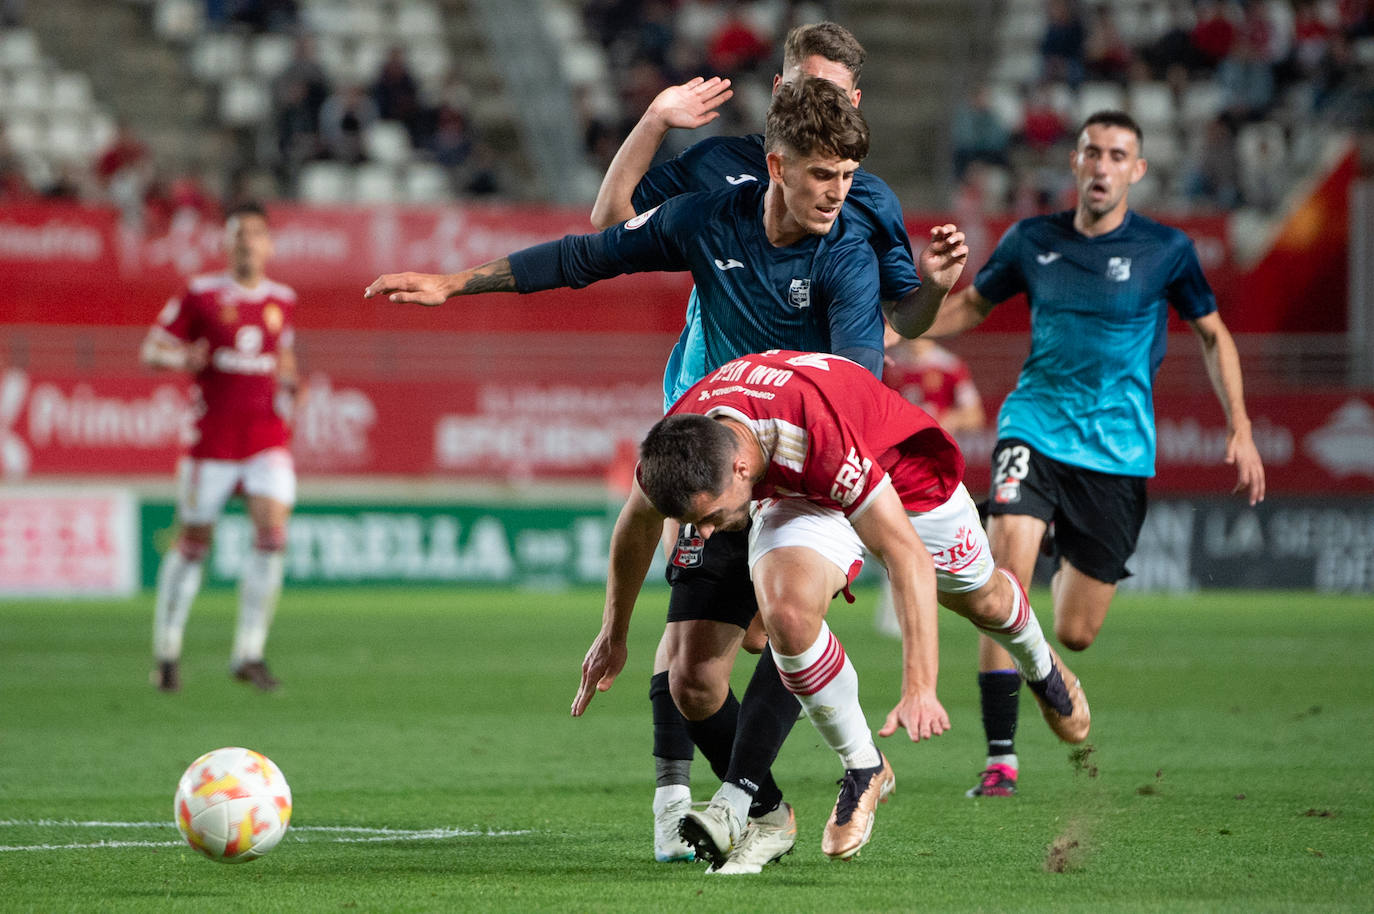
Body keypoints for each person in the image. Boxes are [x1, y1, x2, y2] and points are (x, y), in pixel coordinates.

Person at [367, 73, 969, 873]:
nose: (836, 194)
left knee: (786, 614)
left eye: (848, 177)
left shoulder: (847, 256)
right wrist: (455, 282)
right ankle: (768, 810)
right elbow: (588, 251)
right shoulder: (707, 216)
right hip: (717, 447)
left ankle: (818, 778)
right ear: (778, 166)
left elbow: (850, 392)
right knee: (691, 682)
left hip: (814, 457)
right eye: (822, 175)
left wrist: (915, 673)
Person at [587, 21, 965, 871]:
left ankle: (739, 798)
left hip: (801, 442)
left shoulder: (861, 198)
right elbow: (609, 223)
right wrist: (655, 119)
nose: (804, 102)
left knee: (775, 622)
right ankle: (700, 800)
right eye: (793, 86)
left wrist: (931, 294)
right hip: (710, 430)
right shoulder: (725, 167)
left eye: (824, 91)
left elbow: (896, 331)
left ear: (853, 104)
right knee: (696, 661)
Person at [573, 349, 1089, 865]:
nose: (704, 532)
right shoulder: (686, 435)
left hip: (901, 479)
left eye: (710, 516)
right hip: (798, 495)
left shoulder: (815, 436)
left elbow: (906, 556)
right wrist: (612, 634)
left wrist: (919, 687)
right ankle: (863, 765)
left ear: (740, 467)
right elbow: (635, 524)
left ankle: (1035, 658)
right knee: (788, 616)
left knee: (982, 599)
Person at [925, 110, 1266, 799]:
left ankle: (1047, 661)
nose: (1103, 165)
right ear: (1075, 164)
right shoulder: (1032, 240)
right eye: (1092, 152)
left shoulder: (1166, 250)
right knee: (1004, 578)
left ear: (1137, 170)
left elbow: (1212, 333)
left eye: (1118, 155)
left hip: (1116, 454)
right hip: (1034, 427)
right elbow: (972, 309)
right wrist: (891, 328)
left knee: (1076, 632)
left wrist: (1242, 426)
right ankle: (1001, 760)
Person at [143, 202, 300, 693]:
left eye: (256, 234)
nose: (247, 242)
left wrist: (294, 382)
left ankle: (249, 652)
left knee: (272, 537)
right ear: (226, 244)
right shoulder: (201, 294)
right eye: (239, 234)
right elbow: (151, 349)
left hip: (266, 438)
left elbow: (286, 355)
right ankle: (167, 652)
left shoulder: (284, 299)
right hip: (211, 441)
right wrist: (181, 358)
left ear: (269, 245)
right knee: (193, 547)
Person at [875, 323, 985, 636]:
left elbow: (974, 415)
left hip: (935, 468)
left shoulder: (949, 367)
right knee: (893, 535)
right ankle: (895, 614)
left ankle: (960, 599)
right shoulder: (889, 363)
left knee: (928, 539)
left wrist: (947, 419)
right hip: (894, 465)